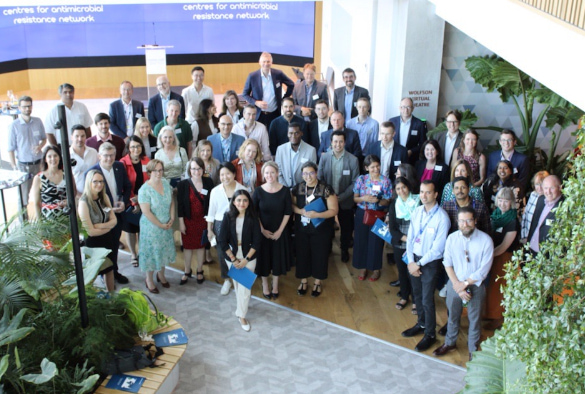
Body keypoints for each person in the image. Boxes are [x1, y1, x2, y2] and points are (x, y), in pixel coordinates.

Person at [433, 207, 494, 361]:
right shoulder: (452, 239)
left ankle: (473, 349)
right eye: (462, 221)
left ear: (475, 221)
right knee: (452, 316)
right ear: (458, 222)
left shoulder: (486, 240)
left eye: (468, 220)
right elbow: (447, 264)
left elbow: (483, 270)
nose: (465, 224)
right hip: (455, 283)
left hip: (476, 285)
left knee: (475, 319)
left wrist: (465, 284)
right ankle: (450, 342)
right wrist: (458, 286)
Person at [402, 180, 450, 352]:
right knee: (416, 295)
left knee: (427, 299)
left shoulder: (442, 217)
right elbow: (410, 237)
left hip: (429, 263)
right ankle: (421, 324)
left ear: (435, 194)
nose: (424, 195)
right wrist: (410, 261)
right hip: (414, 259)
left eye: (428, 192)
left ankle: (430, 334)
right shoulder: (417, 212)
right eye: (422, 192)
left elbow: (438, 249)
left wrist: (419, 263)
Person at [292, 161, 339, 297]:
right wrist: (300, 212)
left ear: (316, 173)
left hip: (321, 228)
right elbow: (292, 205)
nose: (308, 176)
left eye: (311, 173)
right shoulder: (298, 188)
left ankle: (317, 282)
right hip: (302, 227)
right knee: (302, 253)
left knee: (320, 254)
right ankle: (304, 280)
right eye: (305, 173)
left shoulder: (326, 188)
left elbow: (334, 210)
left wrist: (317, 215)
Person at [218, 190, 262, 332]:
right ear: (234, 202)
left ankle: (241, 315)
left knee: (245, 288)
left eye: (245, 200)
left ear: (249, 202)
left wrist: (246, 259)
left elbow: (257, 241)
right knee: (238, 286)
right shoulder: (227, 216)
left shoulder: (253, 218)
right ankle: (241, 307)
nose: (242, 203)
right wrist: (233, 258)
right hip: (232, 256)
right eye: (239, 200)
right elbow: (222, 240)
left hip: (249, 256)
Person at [89, 142, 131, 284]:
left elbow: (127, 185)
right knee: (104, 247)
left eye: (112, 155)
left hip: (118, 214)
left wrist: (124, 202)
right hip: (102, 218)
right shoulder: (92, 173)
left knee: (114, 244)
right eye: (106, 156)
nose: (109, 158)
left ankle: (114, 271)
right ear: (99, 156)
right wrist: (109, 210)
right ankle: (104, 273)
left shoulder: (119, 166)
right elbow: (92, 199)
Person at [318, 131, 360, 262]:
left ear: (345, 142)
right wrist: (329, 196)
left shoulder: (353, 160)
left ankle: (344, 249)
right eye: (335, 141)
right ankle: (327, 248)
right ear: (331, 142)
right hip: (327, 200)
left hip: (345, 200)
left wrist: (340, 197)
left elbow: (355, 182)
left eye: (341, 141)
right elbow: (320, 178)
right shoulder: (324, 158)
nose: (338, 144)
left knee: (346, 228)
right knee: (327, 227)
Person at [253, 161, 292, 299]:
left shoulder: (285, 190)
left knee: (277, 258)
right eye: (267, 173)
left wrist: (280, 231)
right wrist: (262, 230)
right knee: (263, 259)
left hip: (279, 230)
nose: (269, 175)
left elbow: (288, 212)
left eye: (272, 172)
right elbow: (254, 213)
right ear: (263, 175)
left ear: (277, 173)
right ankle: (265, 284)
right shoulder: (258, 191)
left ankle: (275, 284)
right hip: (262, 231)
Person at [207, 162, 247, 295]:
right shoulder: (215, 191)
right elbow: (211, 212)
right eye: (222, 175)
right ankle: (227, 280)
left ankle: (239, 281)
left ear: (234, 174)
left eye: (228, 174)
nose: (225, 177)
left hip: (238, 223)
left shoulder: (242, 189)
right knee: (222, 253)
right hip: (219, 225)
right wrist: (209, 229)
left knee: (238, 252)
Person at [138, 159, 176, 293]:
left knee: (163, 251)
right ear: (149, 172)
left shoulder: (165, 183)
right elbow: (146, 212)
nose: (158, 173)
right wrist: (160, 224)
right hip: (151, 228)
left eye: (161, 170)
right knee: (152, 253)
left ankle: (161, 275)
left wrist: (172, 218)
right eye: (155, 171)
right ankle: (149, 279)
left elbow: (171, 202)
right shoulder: (144, 190)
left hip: (166, 224)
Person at [484, 187, 520, 329]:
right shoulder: (495, 214)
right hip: (493, 256)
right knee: (491, 287)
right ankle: (489, 314)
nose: (503, 203)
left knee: (500, 289)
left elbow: (504, 246)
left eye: (506, 200)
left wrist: (487, 255)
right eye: (500, 199)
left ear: (511, 202)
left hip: (504, 258)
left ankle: (499, 318)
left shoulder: (513, 220)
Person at [352, 155, 392, 281]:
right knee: (361, 240)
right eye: (373, 167)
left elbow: (388, 200)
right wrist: (364, 198)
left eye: (378, 166)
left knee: (377, 241)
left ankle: (375, 269)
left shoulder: (385, 181)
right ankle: (362, 267)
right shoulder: (361, 179)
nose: (376, 169)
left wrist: (380, 201)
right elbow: (355, 198)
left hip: (378, 214)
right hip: (362, 213)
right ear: (366, 168)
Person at [78, 170, 118, 292]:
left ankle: (111, 297)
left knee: (109, 269)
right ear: (89, 183)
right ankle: (89, 300)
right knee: (92, 273)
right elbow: (90, 232)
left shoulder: (104, 197)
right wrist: (108, 227)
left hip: (107, 240)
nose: (99, 184)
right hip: (93, 244)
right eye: (95, 181)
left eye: (101, 181)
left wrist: (99, 226)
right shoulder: (84, 202)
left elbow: (114, 221)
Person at [178, 158, 214, 285]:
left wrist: (211, 223)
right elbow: (180, 206)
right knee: (187, 247)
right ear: (189, 170)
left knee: (201, 247)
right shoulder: (183, 184)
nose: (196, 171)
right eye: (193, 168)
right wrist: (181, 223)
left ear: (203, 169)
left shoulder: (209, 182)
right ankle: (187, 270)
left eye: (199, 168)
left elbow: (212, 203)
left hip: (203, 221)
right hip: (188, 221)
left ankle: (199, 270)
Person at [8, 95, 46, 209]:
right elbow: (10, 148)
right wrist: (14, 167)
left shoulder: (38, 121)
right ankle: (24, 223)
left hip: (38, 164)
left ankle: (43, 219)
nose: (27, 109)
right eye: (24, 107)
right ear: (19, 108)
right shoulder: (14, 126)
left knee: (42, 193)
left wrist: (40, 146)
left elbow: (44, 138)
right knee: (23, 196)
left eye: (29, 106)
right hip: (24, 166)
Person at [388, 177, 420, 313]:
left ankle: (416, 300)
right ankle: (404, 296)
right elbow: (392, 228)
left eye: (403, 187)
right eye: (398, 189)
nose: (402, 191)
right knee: (402, 271)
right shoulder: (394, 204)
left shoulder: (418, 201)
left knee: (413, 273)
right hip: (400, 243)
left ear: (409, 187)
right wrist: (405, 238)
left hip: (416, 244)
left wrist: (412, 240)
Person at [242, 52, 294, 129]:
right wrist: (256, 102)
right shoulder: (252, 76)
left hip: (274, 113)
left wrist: (283, 99)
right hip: (259, 114)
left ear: (271, 62)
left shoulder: (278, 74)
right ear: (259, 62)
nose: (266, 64)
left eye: (268, 61)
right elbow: (245, 94)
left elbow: (291, 84)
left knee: (273, 136)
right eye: (264, 61)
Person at [120, 136, 150, 267]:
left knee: (143, 229)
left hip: (145, 200)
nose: (135, 149)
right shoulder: (122, 163)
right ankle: (133, 253)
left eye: (138, 146)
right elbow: (123, 185)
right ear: (128, 148)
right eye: (132, 146)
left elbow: (150, 182)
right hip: (129, 201)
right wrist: (134, 202)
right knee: (131, 230)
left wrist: (141, 200)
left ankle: (142, 252)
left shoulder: (146, 160)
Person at [28, 145, 72, 220]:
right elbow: (37, 203)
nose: (53, 159)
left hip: (67, 216)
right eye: (49, 156)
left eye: (55, 156)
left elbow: (73, 193)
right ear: (45, 159)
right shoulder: (39, 178)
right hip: (48, 220)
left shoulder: (67, 174)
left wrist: (68, 201)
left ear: (59, 157)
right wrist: (40, 223)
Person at [527, 175, 564, 255]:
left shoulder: (564, 206)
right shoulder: (541, 200)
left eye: (552, 188)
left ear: (560, 188)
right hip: (531, 250)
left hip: (547, 256)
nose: (548, 191)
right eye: (546, 188)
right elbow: (534, 225)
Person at [275, 123, 317, 188]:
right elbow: (278, 172)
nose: (293, 136)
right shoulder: (280, 149)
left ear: (301, 133)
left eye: (296, 133)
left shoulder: (311, 150)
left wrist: (300, 190)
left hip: (303, 189)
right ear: (287, 134)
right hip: (284, 188)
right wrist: (285, 190)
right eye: (291, 133)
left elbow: (312, 173)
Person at [388, 97, 427, 165]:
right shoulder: (392, 121)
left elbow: (423, 143)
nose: (406, 110)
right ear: (400, 108)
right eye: (403, 107)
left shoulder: (419, 124)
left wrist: (411, 151)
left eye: (408, 107)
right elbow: (388, 139)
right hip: (394, 156)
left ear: (413, 108)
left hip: (411, 159)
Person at [520, 171, 550, 243]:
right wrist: (524, 236)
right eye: (537, 184)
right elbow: (526, 216)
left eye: (541, 184)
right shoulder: (533, 195)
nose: (539, 188)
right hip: (528, 236)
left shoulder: (549, 200)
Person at [70, 124, 99, 196]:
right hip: (76, 197)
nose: (80, 139)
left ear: (86, 137)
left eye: (82, 136)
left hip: (94, 195)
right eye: (77, 136)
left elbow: (99, 172)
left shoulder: (93, 152)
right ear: (71, 137)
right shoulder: (67, 156)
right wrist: (77, 195)